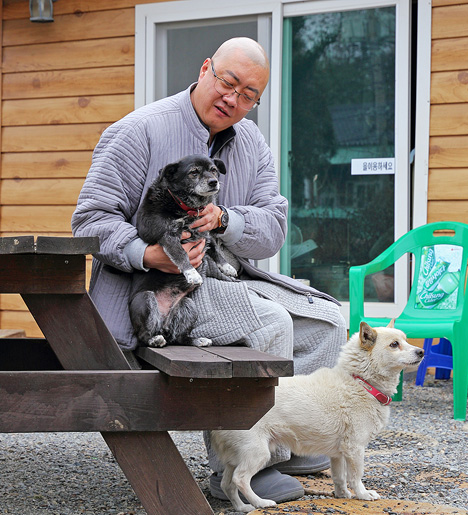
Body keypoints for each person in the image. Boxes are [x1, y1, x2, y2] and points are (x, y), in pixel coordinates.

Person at [72, 37, 347, 503]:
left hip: (222, 274)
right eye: (228, 82)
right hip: (153, 288)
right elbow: (89, 221)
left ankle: (292, 445)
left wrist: (225, 219)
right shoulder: (139, 131)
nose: (233, 100)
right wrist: (146, 253)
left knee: (329, 322)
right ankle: (242, 468)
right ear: (205, 69)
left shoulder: (251, 142)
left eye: (248, 95)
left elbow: (273, 228)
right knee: (269, 323)